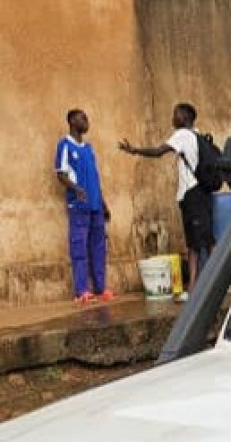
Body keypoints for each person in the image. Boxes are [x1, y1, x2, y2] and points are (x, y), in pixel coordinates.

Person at [119, 103, 215, 294]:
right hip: (198, 194)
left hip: (192, 194)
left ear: (185, 118)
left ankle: (215, 283)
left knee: (203, 242)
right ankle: (196, 286)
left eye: (175, 114)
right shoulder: (197, 135)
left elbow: (158, 152)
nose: (173, 118)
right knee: (197, 242)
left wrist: (135, 150)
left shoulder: (183, 135)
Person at [55, 109, 112, 305]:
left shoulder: (88, 148)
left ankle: (100, 288)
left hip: (95, 204)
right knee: (79, 247)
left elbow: (95, 177)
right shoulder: (64, 145)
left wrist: (103, 202)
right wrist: (76, 188)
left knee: (99, 246)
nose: (86, 121)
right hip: (78, 204)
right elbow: (61, 174)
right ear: (72, 121)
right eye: (82, 118)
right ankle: (81, 291)